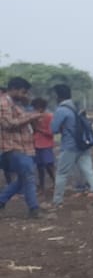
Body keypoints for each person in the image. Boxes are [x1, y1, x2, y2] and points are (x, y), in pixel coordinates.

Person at [49, 84, 93, 209]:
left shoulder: (61, 110)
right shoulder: (76, 107)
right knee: (89, 173)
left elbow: (53, 129)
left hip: (70, 146)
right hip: (83, 145)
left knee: (61, 173)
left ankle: (57, 201)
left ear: (58, 96)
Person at [0, 76, 45, 218]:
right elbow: (8, 124)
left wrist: (28, 108)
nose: (25, 95)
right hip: (12, 146)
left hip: (23, 146)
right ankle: (34, 209)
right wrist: (31, 117)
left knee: (23, 178)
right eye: (23, 92)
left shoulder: (17, 103)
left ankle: (1, 201)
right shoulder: (3, 103)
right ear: (13, 89)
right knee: (28, 175)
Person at [30, 95, 56, 193]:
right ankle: (41, 186)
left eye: (36, 107)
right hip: (36, 144)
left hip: (46, 144)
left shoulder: (49, 117)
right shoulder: (34, 117)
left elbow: (51, 132)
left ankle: (56, 183)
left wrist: (38, 128)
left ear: (41, 107)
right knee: (39, 166)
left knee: (49, 165)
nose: (35, 110)